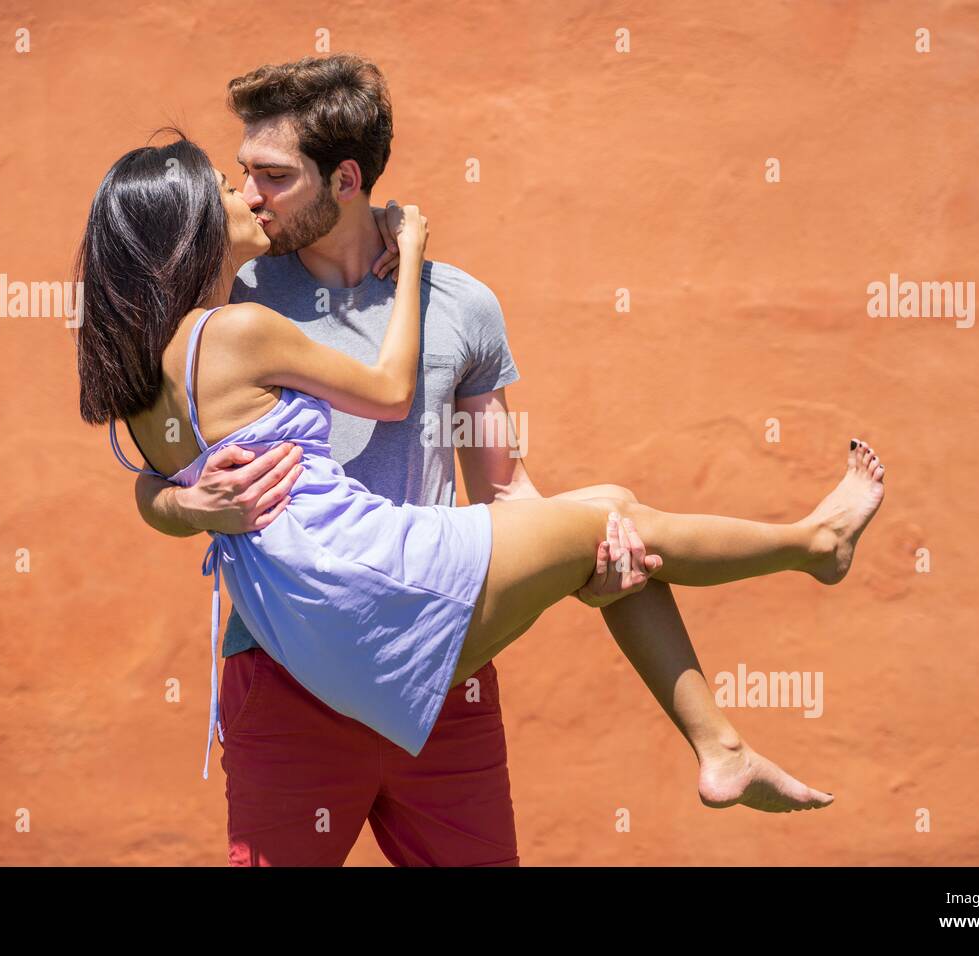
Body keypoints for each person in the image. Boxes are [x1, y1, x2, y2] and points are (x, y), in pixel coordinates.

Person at [75, 130, 887, 849]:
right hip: (375, 590)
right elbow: (390, 390)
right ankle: (815, 547)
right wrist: (417, 247)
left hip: (308, 628)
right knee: (610, 508)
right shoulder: (240, 323)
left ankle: (725, 746)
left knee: (601, 523)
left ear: (345, 177)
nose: (246, 194)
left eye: (265, 175)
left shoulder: (143, 373)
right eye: (227, 184)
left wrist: (183, 503)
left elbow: (153, 485)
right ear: (188, 229)